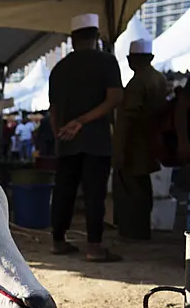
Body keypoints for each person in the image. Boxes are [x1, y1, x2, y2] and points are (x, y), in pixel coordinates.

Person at [48, 13, 123, 262]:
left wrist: (61, 131)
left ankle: (58, 241)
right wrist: (82, 122)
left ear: (72, 40)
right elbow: (114, 99)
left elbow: (54, 109)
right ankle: (94, 246)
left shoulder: (59, 68)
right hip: (96, 140)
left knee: (63, 192)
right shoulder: (107, 62)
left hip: (67, 142)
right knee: (95, 194)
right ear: (97, 37)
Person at [112, 38, 169, 240]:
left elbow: (128, 117)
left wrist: (119, 149)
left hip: (134, 143)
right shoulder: (159, 79)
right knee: (143, 186)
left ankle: (133, 230)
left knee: (131, 187)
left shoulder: (138, 83)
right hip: (150, 140)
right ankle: (141, 227)